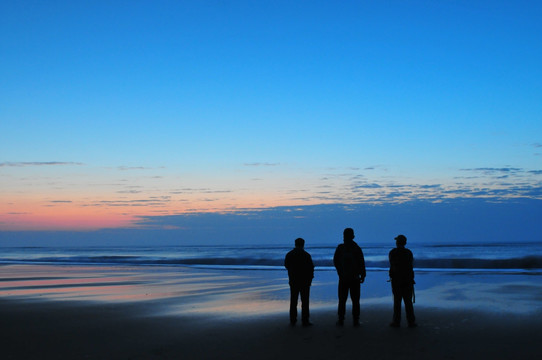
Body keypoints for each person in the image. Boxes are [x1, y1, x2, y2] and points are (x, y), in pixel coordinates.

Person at [333, 228, 366, 326]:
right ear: (353, 236)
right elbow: (361, 262)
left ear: (344, 236)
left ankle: (341, 319)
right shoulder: (356, 248)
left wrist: (339, 272)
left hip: (343, 278)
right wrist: (363, 274)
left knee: (342, 300)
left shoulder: (340, 247)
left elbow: (335, 261)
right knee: (355, 300)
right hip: (354, 278)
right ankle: (356, 320)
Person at [284, 237, 314, 327]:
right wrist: (310, 278)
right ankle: (305, 320)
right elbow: (311, 268)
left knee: (293, 300)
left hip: (293, 280)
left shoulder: (289, 254)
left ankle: (293, 320)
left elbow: (286, 265)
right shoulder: (306, 255)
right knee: (305, 301)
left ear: (295, 244)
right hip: (304, 281)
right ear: (303, 244)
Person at [388, 234, 417, 328]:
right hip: (407, 280)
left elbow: (392, 266)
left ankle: (396, 322)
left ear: (397, 242)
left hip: (396, 280)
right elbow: (410, 267)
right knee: (408, 302)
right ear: (405, 243)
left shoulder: (393, 252)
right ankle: (411, 322)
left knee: (397, 302)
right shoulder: (408, 252)